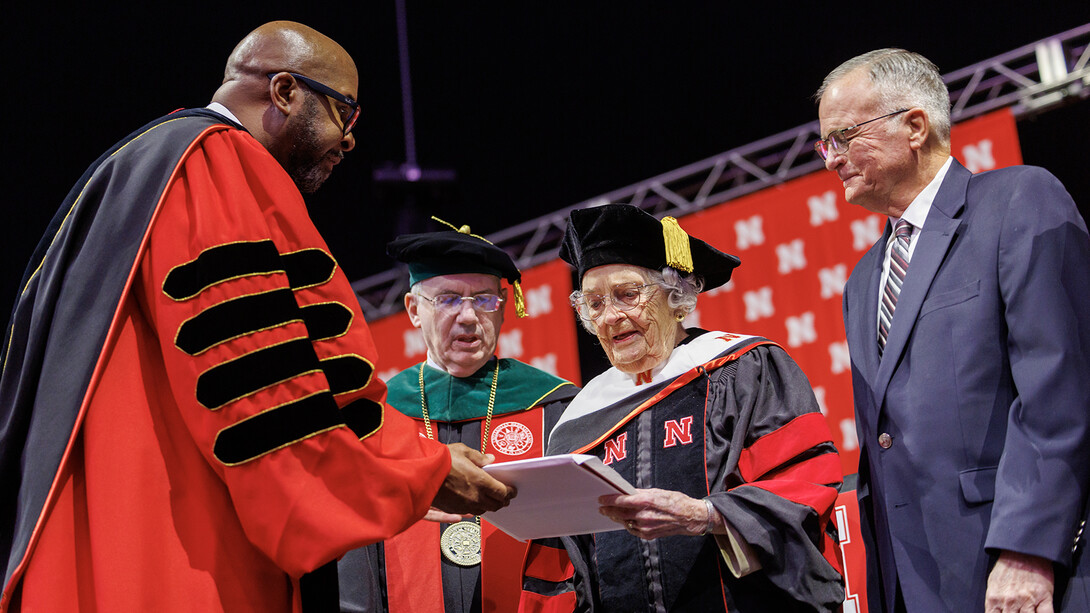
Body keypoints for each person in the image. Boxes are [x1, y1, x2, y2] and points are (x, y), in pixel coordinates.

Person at [0, 21, 514, 612]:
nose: (348, 142)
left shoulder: (138, 167)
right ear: (286, 92)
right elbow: (263, 383)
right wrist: (417, 470)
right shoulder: (214, 162)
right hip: (176, 549)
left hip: (99, 531)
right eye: (344, 114)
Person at [815, 48, 1090, 612]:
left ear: (914, 126)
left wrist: (1027, 550)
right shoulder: (864, 280)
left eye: (843, 137)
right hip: (913, 581)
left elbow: (1059, 388)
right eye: (826, 145)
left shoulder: (1017, 200)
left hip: (1015, 565)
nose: (831, 160)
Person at [518, 203, 845, 612]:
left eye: (627, 294)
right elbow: (565, 567)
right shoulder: (576, 423)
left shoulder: (743, 369)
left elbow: (805, 479)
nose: (610, 317)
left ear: (676, 297)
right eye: (595, 304)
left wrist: (707, 516)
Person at [337, 222, 579, 613]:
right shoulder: (376, 417)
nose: (468, 317)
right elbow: (355, 550)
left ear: (503, 308)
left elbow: (572, 545)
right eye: (448, 300)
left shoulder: (555, 407)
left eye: (484, 300)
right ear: (414, 311)